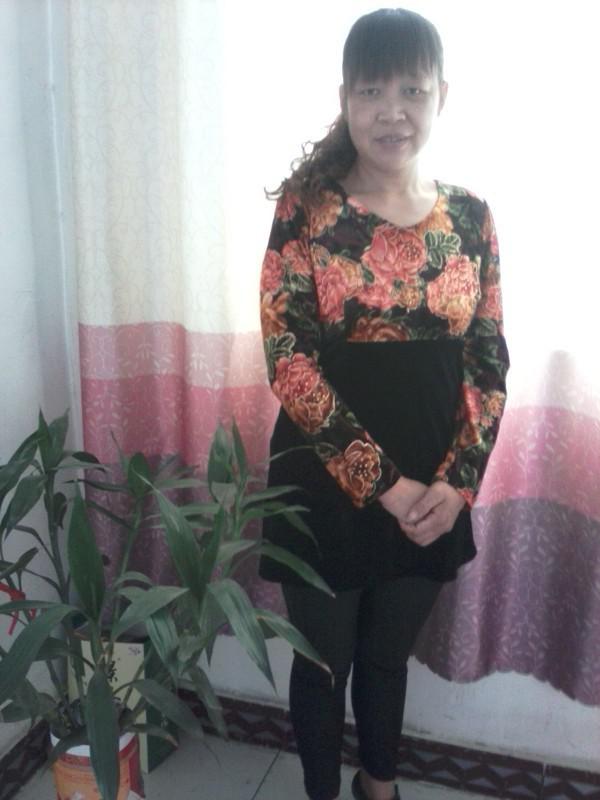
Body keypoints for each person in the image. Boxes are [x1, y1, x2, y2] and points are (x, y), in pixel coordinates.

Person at [258, 8, 509, 800]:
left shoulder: (470, 216)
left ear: (442, 96)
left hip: (434, 488)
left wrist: (456, 484)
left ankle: (380, 785)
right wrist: (387, 486)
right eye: (371, 91)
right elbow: (288, 361)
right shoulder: (307, 211)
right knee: (322, 662)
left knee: (387, 657)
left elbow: (488, 361)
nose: (391, 111)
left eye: (411, 90)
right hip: (324, 482)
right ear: (344, 99)